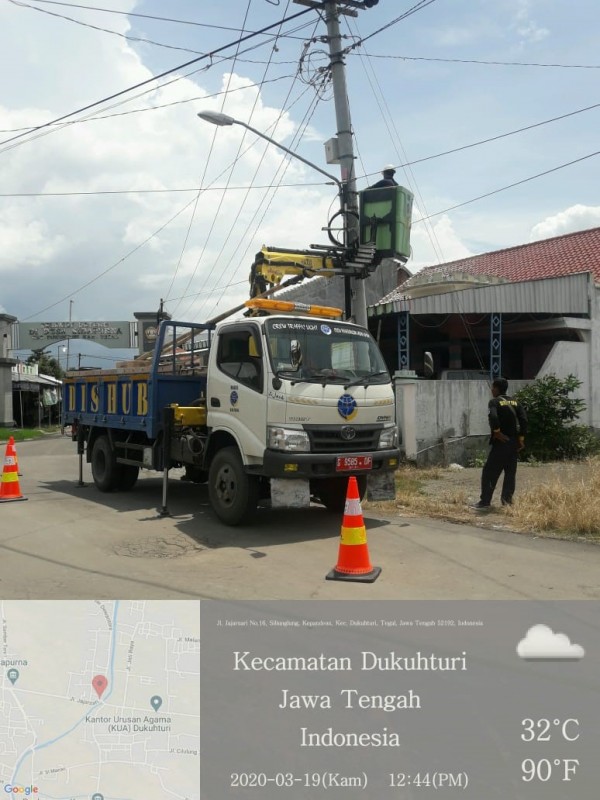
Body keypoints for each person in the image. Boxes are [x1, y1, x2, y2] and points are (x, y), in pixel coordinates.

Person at [470, 377, 527, 510]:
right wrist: (521, 439)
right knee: (510, 473)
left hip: (501, 442)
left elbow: (493, 416)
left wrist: (497, 432)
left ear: (496, 388)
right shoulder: (516, 402)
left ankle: (485, 502)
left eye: (493, 387)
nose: (491, 390)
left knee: (489, 472)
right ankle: (507, 502)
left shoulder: (494, 402)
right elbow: (524, 420)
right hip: (514, 443)